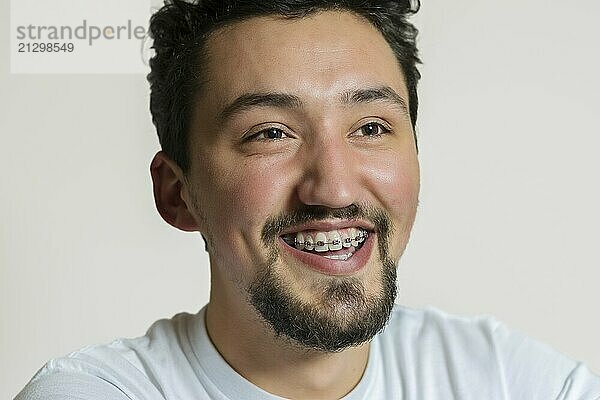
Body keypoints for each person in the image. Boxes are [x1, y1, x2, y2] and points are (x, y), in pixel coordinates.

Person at [16, 0, 600, 399]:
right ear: (178, 193)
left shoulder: (509, 381)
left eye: (371, 127)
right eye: (271, 133)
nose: (335, 188)